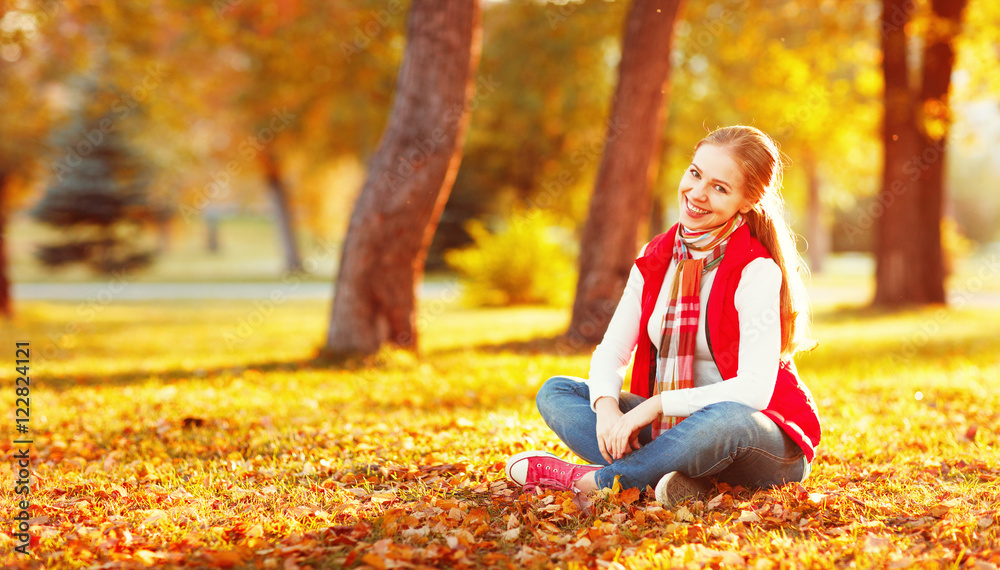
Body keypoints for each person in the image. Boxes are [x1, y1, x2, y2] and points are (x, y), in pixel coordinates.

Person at [505, 125, 821, 506]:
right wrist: (607, 411)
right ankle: (675, 478)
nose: (697, 193)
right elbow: (612, 351)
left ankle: (594, 482)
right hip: (676, 433)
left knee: (722, 420)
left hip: (760, 439)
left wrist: (656, 405)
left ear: (746, 202)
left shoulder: (755, 270)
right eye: (695, 173)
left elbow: (754, 390)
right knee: (558, 391)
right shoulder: (657, 257)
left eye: (720, 188)